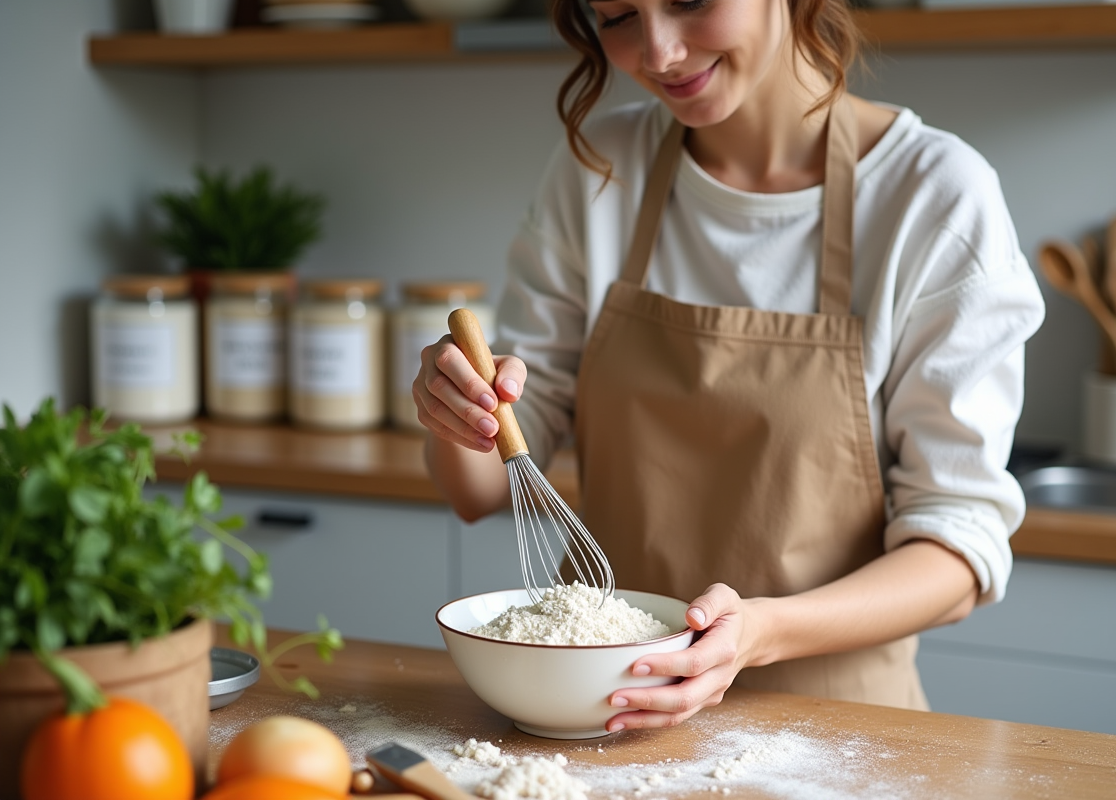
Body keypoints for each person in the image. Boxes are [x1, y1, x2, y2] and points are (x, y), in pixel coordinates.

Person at [413, 0, 1045, 732]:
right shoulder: (600, 168)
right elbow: (480, 492)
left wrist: (759, 633)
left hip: (838, 741)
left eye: (689, 1)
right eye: (617, 16)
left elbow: (957, 552)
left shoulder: (932, 198)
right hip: (604, 725)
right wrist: (459, 415)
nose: (659, 52)